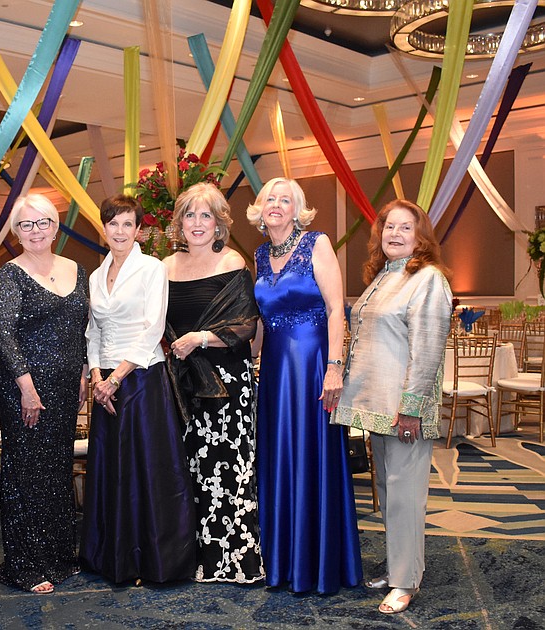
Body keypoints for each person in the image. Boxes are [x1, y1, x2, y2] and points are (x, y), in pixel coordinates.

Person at [332, 199, 451, 614]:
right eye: (389, 227)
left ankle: (405, 581)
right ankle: (400, 565)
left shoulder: (428, 278)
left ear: (421, 237)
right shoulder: (384, 276)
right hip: (378, 405)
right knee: (388, 491)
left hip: (404, 409)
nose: (395, 234)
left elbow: (428, 349)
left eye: (405, 227)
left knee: (405, 496)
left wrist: (412, 408)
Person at [248, 177, 362, 594]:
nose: (277, 205)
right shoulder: (260, 254)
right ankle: (282, 561)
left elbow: (335, 310)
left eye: (286, 200)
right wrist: (242, 356)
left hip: (313, 366)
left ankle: (318, 562)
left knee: (311, 452)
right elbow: (262, 320)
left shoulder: (317, 243)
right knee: (279, 454)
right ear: (260, 210)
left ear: (297, 210)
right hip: (275, 370)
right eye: (270, 199)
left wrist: (334, 367)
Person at [80, 194, 196, 584]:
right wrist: (98, 377)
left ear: (139, 230)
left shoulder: (152, 269)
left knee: (146, 469)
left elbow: (153, 328)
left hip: (142, 378)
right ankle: (113, 556)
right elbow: (93, 331)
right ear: (104, 228)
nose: (120, 231)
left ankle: (152, 560)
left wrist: (116, 378)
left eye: (127, 224)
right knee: (112, 470)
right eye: (113, 223)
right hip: (106, 384)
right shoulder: (96, 275)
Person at [163, 182, 263, 584]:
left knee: (230, 471)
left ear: (220, 224)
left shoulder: (231, 261)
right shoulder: (165, 267)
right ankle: (197, 558)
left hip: (227, 386)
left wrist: (200, 338)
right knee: (191, 471)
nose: (197, 222)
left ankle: (237, 561)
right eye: (190, 214)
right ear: (179, 223)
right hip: (183, 385)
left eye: (206, 215)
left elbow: (246, 325)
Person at [0, 193, 89, 594]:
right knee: (26, 472)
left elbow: (82, 328)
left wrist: (83, 371)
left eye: (43, 222)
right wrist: (27, 388)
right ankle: (26, 564)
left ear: (56, 226)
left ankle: (59, 556)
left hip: (66, 387)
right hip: (25, 389)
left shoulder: (77, 269)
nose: (36, 231)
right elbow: (5, 335)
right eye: (26, 224)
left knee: (57, 469)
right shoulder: (10, 274)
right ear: (16, 231)